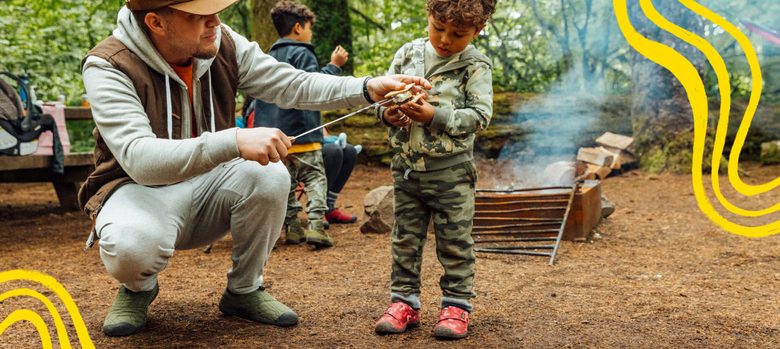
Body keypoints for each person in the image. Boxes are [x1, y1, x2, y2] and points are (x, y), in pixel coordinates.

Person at [80, 0, 430, 337]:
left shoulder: (223, 42)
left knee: (270, 172)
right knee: (131, 244)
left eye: (216, 12)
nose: (215, 23)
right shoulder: (108, 64)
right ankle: (137, 288)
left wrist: (367, 88)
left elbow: (293, 83)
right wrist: (233, 140)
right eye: (199, 16)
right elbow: (140, 159)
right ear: (156, 22)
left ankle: (244, 290)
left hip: (208, 186)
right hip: (138, 192)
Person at [372, 0, 495, 340]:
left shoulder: (476, 65)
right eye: (438, 28)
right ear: (428, 17)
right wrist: (388, 115)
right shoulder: (407, 54)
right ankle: (404, 303)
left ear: (477, 31)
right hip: (407, 169)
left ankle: (456, 305)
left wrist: (434, 117)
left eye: (458, 34)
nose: (444, 39)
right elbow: (380, 101)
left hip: (451, 174)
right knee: (405, 241)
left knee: (454, 242)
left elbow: (480, 116)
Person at [253, 0, 348, 248]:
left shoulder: (267, 57)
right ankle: (316, 226)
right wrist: (334, 67)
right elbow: (313, 87)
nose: (310, 33)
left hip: (276, 139)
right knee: (316, 178)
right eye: (309, 29)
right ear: (298, 28)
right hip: (303, 134)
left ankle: (293, 228)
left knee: (287, 185)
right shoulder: (302, 52)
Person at [321, 129, 359, 226]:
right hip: (300, 147)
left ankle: (329, 207)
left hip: (317, 142)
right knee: (334, 151)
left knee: (350, 152)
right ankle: (318, 209)